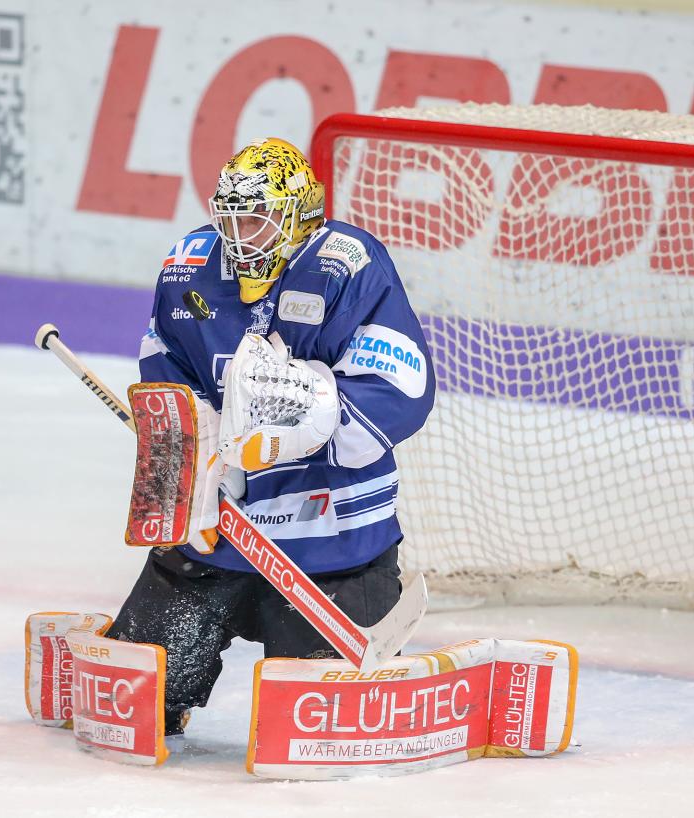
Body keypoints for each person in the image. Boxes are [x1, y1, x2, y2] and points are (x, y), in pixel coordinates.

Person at [105, 137, 435, 737]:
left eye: (255, 218)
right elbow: (166, 366)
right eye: (229, 217)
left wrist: (307, 421)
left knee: (319, 726)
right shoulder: (190, 265)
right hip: (222, 526)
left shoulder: (349, 264)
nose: (239, 234)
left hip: (333, 539)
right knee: (139, 702)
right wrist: (191, 461)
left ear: (297, 215)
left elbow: (401, 384)